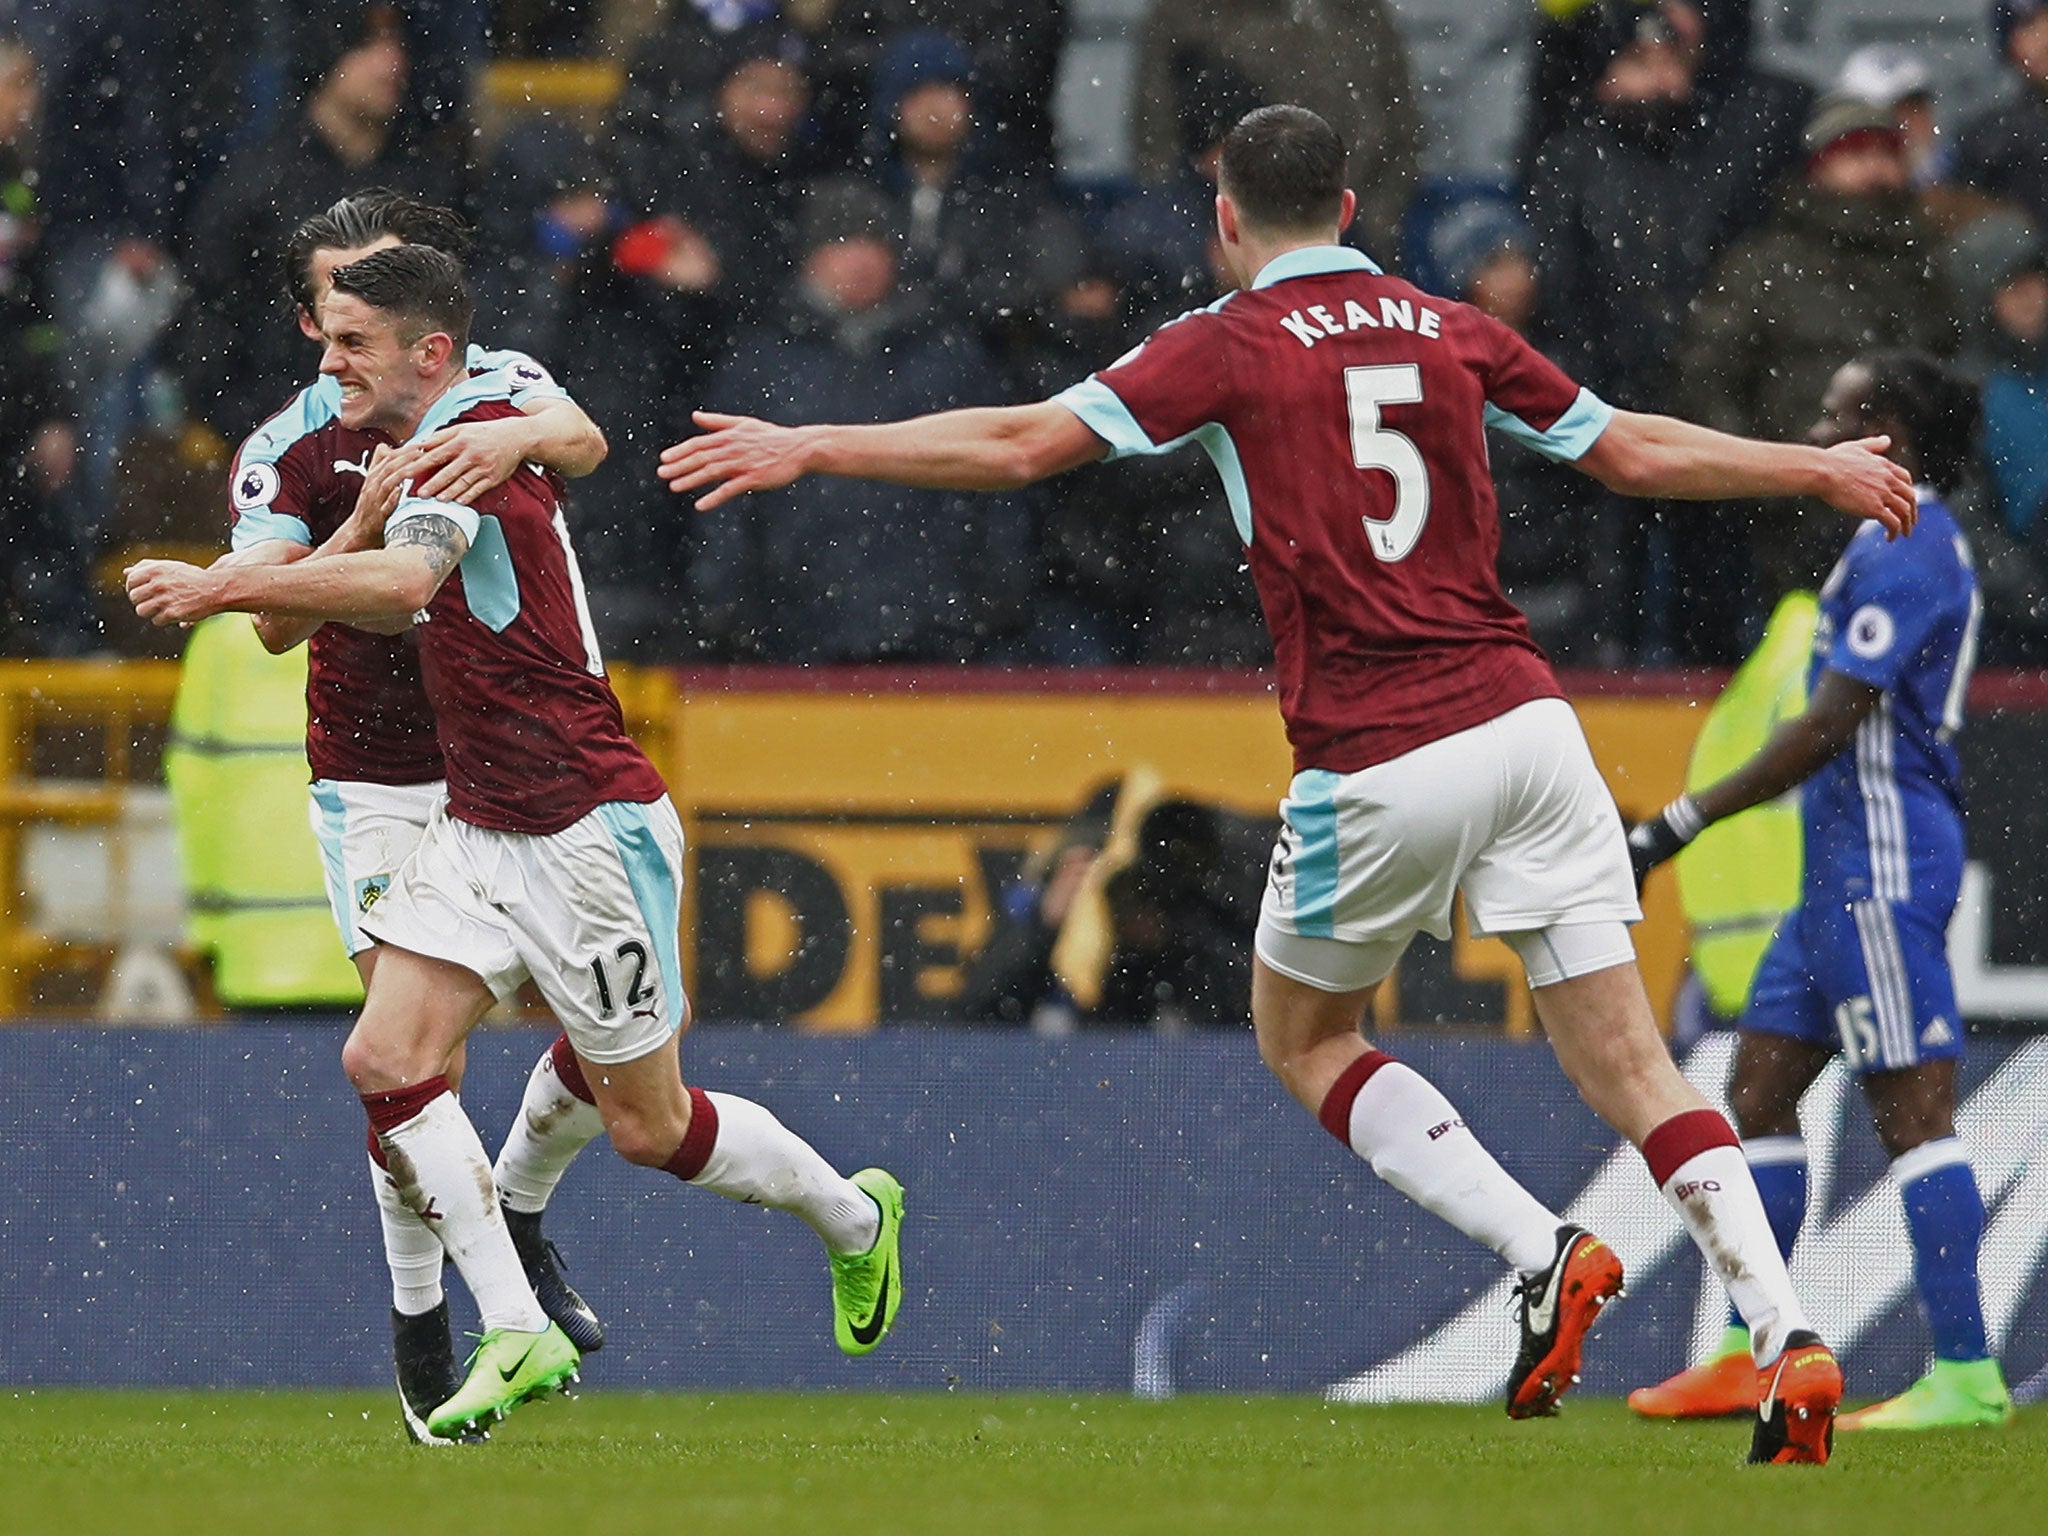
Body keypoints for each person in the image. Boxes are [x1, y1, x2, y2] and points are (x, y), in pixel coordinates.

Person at [659, 105, 1919, 1463]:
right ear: (1356, 205)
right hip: (1532, 723)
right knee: (1633, 1065)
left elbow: (1024, 446)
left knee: (1307, 1038)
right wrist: (1817, 465)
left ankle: (1544, 1248)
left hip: (1379, 746)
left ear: (1223, 219)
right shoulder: (1451, 327)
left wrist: (821, 444)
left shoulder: (1227, 342)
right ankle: (1788, 1332)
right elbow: (1629, 452)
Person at [127, 244, 907, 1439]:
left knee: (651, 1124)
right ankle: (512, 1324)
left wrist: (223, 588)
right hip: (480, 820)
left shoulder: (468, 428)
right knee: (388, 1061)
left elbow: (403, 586)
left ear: (427, 353)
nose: (327, 360)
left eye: (352, 342)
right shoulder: (448, 427)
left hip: (581, 822)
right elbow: (552, 452)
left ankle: (854, 1219)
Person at [219, 189, 616, 1446]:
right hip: (382, 780)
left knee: (611, 1039)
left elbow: (587, 441)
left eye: (372, 310)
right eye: (334, 308)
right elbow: (276, 618)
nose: (350, 334)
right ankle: (427, 1316)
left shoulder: (490, 381)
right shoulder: (283, 448)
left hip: (515, 753)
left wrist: (513, 440)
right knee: (410, 1064)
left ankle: (521, 1213)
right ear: (311, 316)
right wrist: (365, 520)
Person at [1627, 351, 2013, 1433]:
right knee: (1755, 1093)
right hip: (1832, 870)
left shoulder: (1908, 542)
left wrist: (1677, 822)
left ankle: (1964, 1373)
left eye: (1835, 414)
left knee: (1912, 1114)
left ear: (1884, 430)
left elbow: (1828, 722)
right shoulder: (1874, 538)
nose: (1814, 427)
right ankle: (1754, 1349)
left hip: (1885, 866)